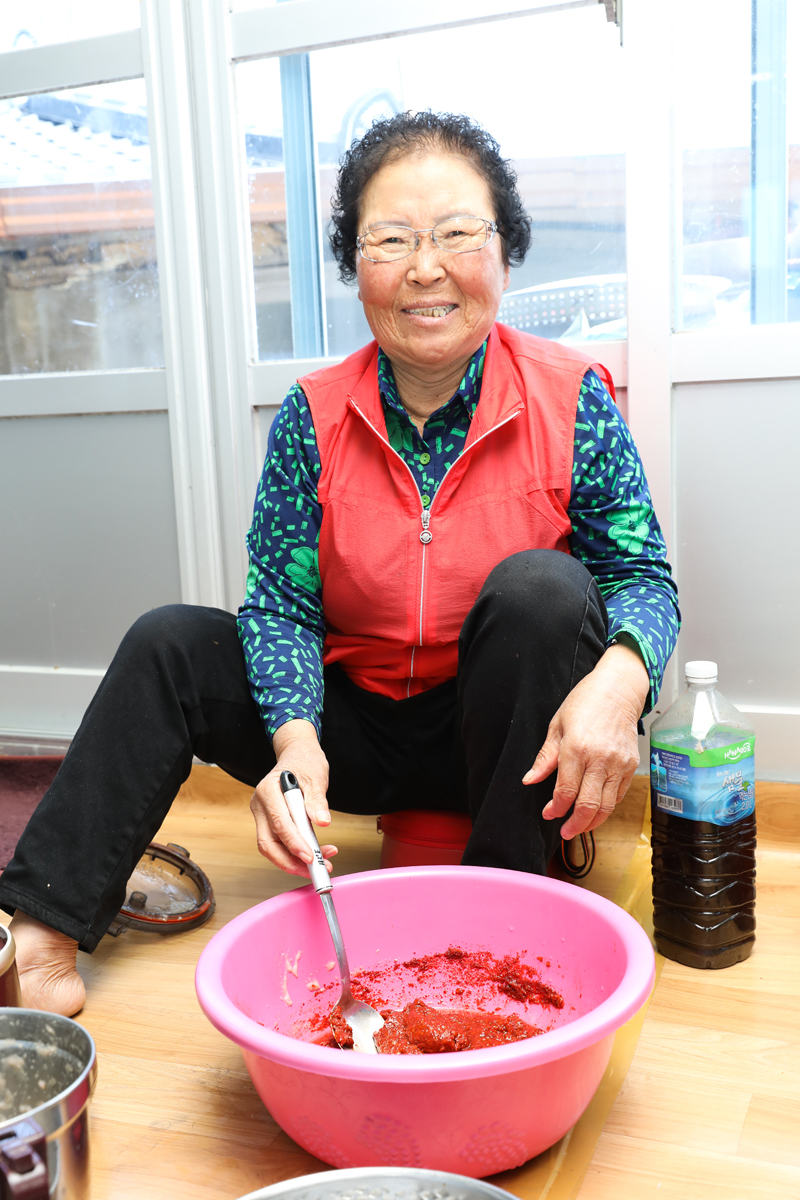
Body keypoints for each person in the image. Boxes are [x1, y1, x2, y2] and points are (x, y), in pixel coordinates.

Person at [0, 112, 679, 1016]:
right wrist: (294, 740)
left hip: (506, 743)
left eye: (457, 233)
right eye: (391, 239)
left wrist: (621, 685)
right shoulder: (312, 414)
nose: (425, 268)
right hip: (348, 734)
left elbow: (640, 579)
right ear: (357, 268)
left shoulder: (572, 398)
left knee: (543, 591)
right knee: (169, 642)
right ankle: (41, 934)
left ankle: (506, 930)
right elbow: (280, 604)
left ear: (504, 253)